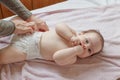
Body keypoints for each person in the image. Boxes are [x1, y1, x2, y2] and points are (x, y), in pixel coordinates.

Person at [0, 23, 104, 66]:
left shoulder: (72, 58)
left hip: (26, 50)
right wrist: (70, 37)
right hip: (29, 32)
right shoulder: (72, 33)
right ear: (81, 33)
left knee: (2, 58)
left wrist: (75, 50)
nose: (86, 47)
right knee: (14, 22)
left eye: (90, 51)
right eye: (86, 41)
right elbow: (59, 26)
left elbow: (57, 57)